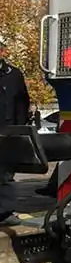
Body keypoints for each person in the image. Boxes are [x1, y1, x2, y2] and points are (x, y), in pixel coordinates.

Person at [0, 35, 30, 225]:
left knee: (5, 175)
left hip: (7, 133)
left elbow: (22, 103)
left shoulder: (14, 75)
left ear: (2, 51)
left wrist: (19, 129)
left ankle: (3, 213)